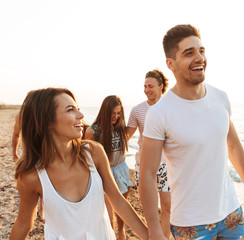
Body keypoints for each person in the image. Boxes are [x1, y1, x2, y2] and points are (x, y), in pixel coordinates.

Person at [139, 24, 244, 240]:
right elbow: (148, 174)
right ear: (171, 64)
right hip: (190, 224)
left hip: (231, 214)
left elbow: (233, 145)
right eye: (189, 53)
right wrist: (155, 229)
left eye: (201, 51)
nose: (199, 58)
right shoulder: (160, 113)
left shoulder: (220, 98)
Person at [10, 88, 148, 240]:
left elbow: (118, 201)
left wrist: (151, 236)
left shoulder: (94, 153)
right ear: (47, 121)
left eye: (78, 109)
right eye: (70, 110)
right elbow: (23, 224)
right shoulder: (31, 176)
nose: (81, 116)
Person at [126, 69, 171, 238]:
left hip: (167, 164)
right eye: (145, 86)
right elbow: (125, 137)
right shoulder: (137, 110)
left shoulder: (171, 107)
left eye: (150, 86)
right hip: (143, 165)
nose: (147, 90)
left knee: (167, 206)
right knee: (149, 209)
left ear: (161, 86)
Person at [85, 95, 132, 240]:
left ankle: (121, 233)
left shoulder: (120, 128)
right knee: (108, 215)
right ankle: (111, 235)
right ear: (105, 112)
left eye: (118, 113)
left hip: (122, 170)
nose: (116, 117)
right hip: (105, 174)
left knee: (122, 209)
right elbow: (85, 156)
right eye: (112, 113)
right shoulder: (94, 131)